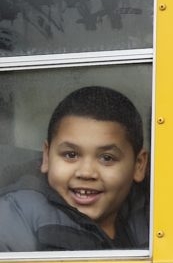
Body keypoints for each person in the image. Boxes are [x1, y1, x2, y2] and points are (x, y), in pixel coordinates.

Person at [0, 86, 149, 251]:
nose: (86, 173)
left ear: (139, 165)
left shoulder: (152, 216)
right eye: (70, 155)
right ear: (47, 157)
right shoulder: (15, 218)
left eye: (107, 158)